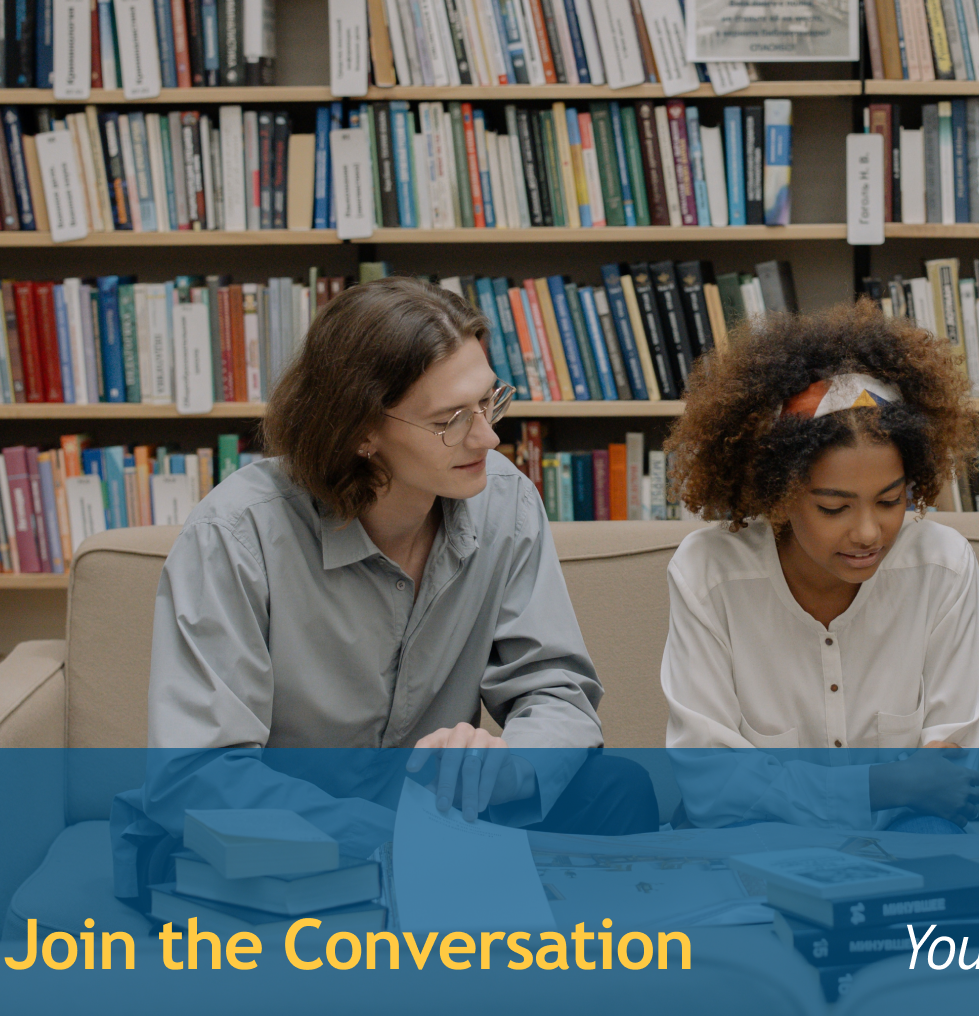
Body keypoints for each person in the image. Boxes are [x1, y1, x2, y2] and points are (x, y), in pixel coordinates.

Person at [123, 279, 655, 901]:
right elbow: (197, 775)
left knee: (620, 789)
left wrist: (508, 763)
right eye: (451, 420)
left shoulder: (503, 500)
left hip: (435, 816)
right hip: (293, 829)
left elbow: (556, 690)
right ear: (359, 431)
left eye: (489, 403)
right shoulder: (236, 534)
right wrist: (398, 836)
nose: (487, 438)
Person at [659, 302, 979, 832]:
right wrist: (882, 786)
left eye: (889, 501)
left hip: (906, 840)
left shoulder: (943, 566)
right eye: (834, 508)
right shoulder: (708, 574)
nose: (867, 532)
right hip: (752, 847)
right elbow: (711, 786)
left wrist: (783, 791)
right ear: (780, 495)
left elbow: (946, 779)